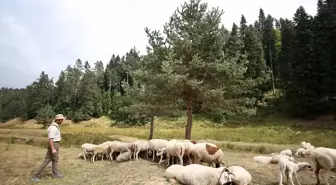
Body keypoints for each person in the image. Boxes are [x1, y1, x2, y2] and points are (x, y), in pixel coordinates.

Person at [31, 114, 65, 182]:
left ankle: (56, 174)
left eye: (62, 119)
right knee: (47, 160)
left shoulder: (55, 126)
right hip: (54, 144)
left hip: (56, 144)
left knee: (55, 159)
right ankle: (35, 176)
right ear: (57, 119)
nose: (62, 120)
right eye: (61, 119)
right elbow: (50, 139)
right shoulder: (53, 128)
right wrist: (53, 149)